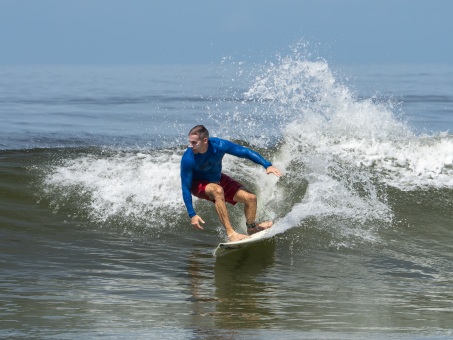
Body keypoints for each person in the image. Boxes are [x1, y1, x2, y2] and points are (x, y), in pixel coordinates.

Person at [180, 125, 282, 242]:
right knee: (217, 190)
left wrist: (267, 165)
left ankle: (252, 228)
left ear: (205, 140)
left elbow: (244, 152)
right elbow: (185, 187)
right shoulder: (188, 158)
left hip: (217, 179)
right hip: (197, 185)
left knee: (251, 198)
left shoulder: (219, 145)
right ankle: (231, 233)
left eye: (194, 143)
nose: (190, 146)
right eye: (190, 142)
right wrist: (192, 214)